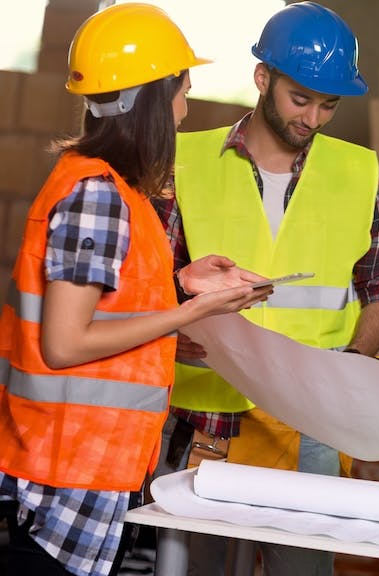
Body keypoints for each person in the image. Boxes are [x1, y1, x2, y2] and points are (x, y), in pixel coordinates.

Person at [0, 4, 272, 575]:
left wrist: (180, 284)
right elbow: (66, 343)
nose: (184, 110)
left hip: (83, 461)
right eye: (181, 91)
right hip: (69, 466)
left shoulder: (112, 188)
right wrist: (192, 311)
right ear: (152, 98)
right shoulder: (96, 193)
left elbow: (105, 298)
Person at [152, 2, 379, 574]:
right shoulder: (184, 163)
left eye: (329, 104)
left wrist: (354, 360)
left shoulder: (361, 173)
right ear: (262, 78)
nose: (313, 118)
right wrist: (171, 326)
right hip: (206, 418)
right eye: (301, 99)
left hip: (311, 422)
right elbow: (144, 288)